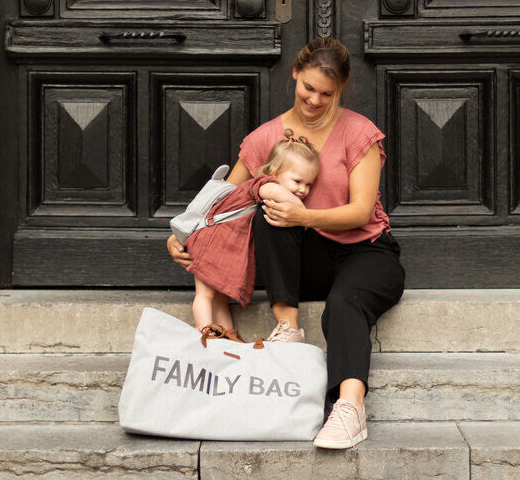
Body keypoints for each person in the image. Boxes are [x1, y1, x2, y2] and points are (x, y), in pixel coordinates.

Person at [167, 37, 405, 450]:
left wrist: (305, 215)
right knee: (266, 204)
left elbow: (361, 211)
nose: (314, 99)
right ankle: (287, 325)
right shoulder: (264, 139)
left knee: (345, 304)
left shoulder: (358, 132)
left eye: (326, 94)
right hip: (300, 262)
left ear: (341, 89)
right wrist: (182, 235)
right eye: (308, 88)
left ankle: (349, 409)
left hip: (367, 252)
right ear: (295, 73)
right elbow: (223, 201)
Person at [183, 132, 320, 337]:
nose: (303, 189)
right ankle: (205, 333)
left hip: (223, 247)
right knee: (205, 295)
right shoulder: (265, 184)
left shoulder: (270, 185)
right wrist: (303, 213)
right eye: (297, 181)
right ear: (274, 172)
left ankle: (227, 336)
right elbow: (276, 193)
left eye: (308, 184)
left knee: (221, 299)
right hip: (209, 243)